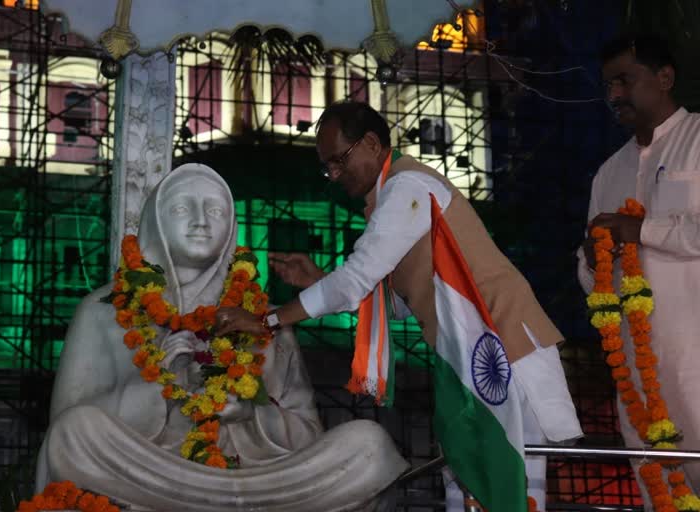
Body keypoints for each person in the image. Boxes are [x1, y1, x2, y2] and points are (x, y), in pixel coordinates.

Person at [217, 101, 583, 511]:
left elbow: (357, 279)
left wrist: (268, 319)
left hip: (503, 354)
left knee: (512, 492)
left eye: (339, 160)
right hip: (468, 365)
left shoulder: (407, 188)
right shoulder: (395, 196)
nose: (334, 175)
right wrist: (320, 282)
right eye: (328, 167)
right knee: (469, 494)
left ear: (372, 144)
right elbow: (396, 308)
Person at [36, 163, 408, 511]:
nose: (201, 222)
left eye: (215, 211)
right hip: (147, 471)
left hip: (252, 481)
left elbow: (308, 433)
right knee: (73, 434)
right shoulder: (104, 309)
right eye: (183, 209)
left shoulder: (262, 318)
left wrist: (251, 414)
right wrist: (160, 391)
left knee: (368, 446)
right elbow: (67, 425)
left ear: (231, 226)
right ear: (157, 221)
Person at [577, 33, 700, 507]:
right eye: (608, 86)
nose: (613, 96)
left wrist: (641, 230)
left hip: (694, 358)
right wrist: (591, 261)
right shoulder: (608, 173)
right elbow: (590, 283)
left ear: (664, 78)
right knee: (660, 496)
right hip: (635, 368)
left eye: (623, 81)